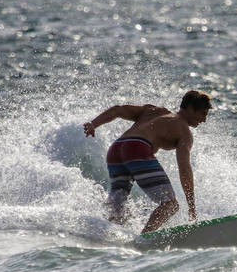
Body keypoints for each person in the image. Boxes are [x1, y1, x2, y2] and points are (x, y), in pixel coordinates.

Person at [84, 90, 212, 233]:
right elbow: (184, 170)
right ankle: (144, 239)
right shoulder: (184, 132)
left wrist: (93, 124)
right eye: (203, 113)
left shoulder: (154, 111)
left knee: (118, 207)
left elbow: (117, 110)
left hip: (116, 149)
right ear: (190, 108)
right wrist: (192, 207)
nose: (204, 119)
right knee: (170, 204)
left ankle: (102, 235)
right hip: (137, 148)